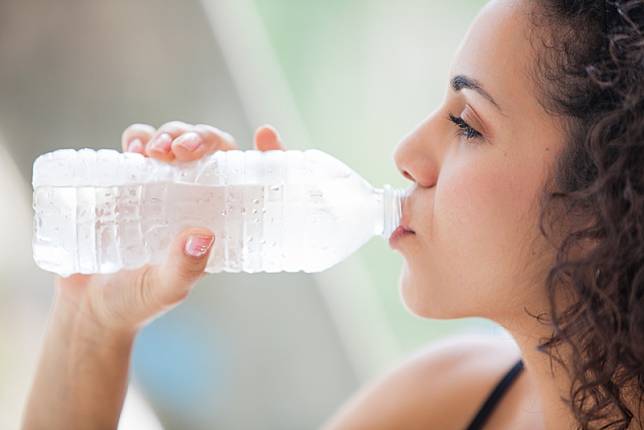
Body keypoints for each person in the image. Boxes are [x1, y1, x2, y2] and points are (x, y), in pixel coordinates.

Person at [22, 0, 644, 428]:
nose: (406, 154)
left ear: (606, 205)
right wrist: (93, 321)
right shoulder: (446, 400)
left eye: (467, 124)